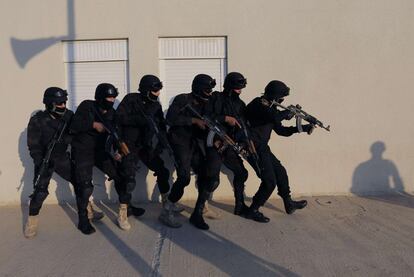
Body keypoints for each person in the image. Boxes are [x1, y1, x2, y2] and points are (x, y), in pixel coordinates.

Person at [24, 87, 102, 238]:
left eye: (64, 102)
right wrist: (40, 162)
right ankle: (32, 221)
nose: (63, 106)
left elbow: (77, 131)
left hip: (61, 157)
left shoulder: (69, 116)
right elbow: (33, 145)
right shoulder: (37, 119)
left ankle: (87, 210)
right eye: (59, 103)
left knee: (81, 184)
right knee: (39, 193)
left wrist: (68, 139)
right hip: (45, 160)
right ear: (49, 103)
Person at [70, 83, 144, 235]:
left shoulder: (113, 114)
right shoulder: (87, 106)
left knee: (120, 176)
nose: (112, 100)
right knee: (85, 186)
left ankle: (126, 208)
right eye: (109, 97)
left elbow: (116, 134)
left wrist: (119, 150)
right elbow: (74, 124)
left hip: (99, 151)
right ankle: (83, 219)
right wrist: (93, 124)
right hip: (82, 150)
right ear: (100, 97)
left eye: (113, 98)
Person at [116, 75, 183, 228]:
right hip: (129, 146)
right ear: (146, 90)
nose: (158, 93)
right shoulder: (131, 99)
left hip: (145, 146)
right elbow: (119, 118)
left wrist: (162, 144)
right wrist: (140, 120)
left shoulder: (155, 106)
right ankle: (123, 212)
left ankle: (167, 205)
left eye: (159, 89)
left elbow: (159, 126)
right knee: (128, 179)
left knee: (163, 171)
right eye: (155, 90)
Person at [244, 80, 312, 222]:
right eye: (281, 98)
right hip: (251, 148)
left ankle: (288, 203)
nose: (282, 101)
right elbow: (272, 116)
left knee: (281, 172)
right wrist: (287, 112)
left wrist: (301, 128)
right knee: (269, 181)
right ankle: (253, 210)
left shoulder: (272, 109)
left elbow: (281, 131)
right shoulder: (258, 104)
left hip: (262, 147)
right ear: (274, 96)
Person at [160, 74, 217, 229]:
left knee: (205, 174)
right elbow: (170, 120)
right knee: (184, 177)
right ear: (198, 89)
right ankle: (167, 208)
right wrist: (193, 121)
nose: (210, 93)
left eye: (211, 90)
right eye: (207, 90)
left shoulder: (208, 103)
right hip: (180, 142)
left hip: (197, 143)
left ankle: (201, 207)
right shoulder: (182, 100)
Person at [202, 72, 252, 220]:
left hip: (229, 144)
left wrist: (243, 143)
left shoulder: (240, 105)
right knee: (213, 180)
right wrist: (224, 118)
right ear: (230, 86)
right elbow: (205, 117)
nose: (240, 90)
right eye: (237, 87)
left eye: (241, 87)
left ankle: (240, 206)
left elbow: (242, 127)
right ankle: (201, 206)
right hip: (214, 143)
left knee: (242, 173)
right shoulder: (216, 98)